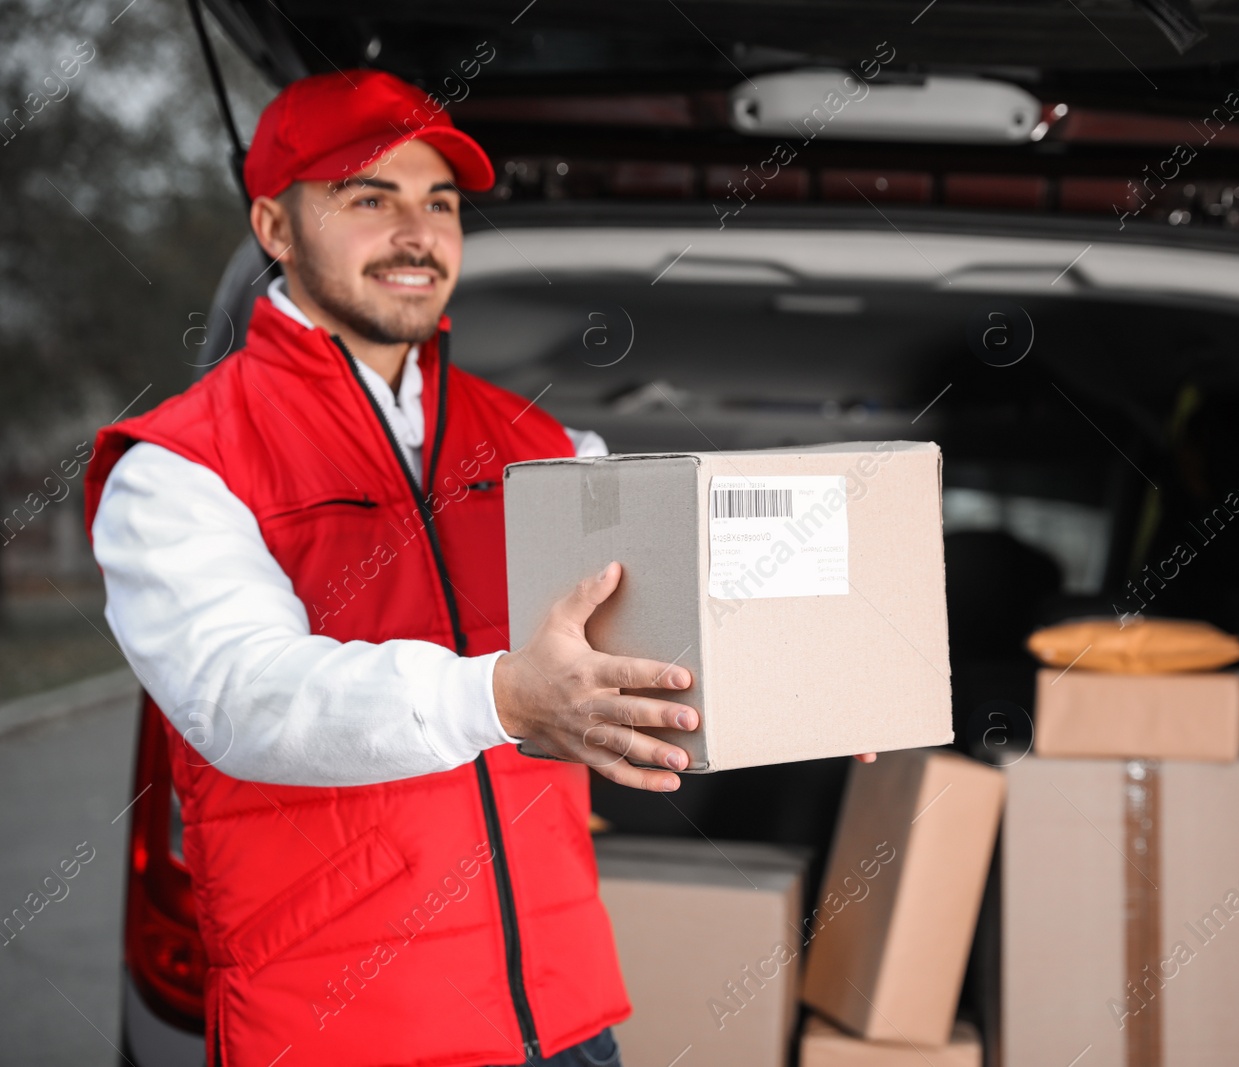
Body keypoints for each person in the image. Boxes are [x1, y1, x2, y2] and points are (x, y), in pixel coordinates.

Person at [84, 68, 870, 1067]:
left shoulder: (544, 442)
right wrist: (502, 694)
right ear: (275, 228)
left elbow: (681, 610)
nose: (416, 231)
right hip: (347, 1030)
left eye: (439, 202)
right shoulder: (181, 464)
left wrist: (819, 679)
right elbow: (247, 696)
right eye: (369, 198)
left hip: (563, 1019)